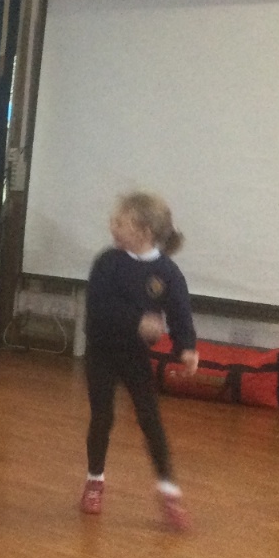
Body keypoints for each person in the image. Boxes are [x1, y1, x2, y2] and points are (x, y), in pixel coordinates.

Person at [81, 192, 199, 530]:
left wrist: (186, 347)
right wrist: (137, 321)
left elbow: (180, 313)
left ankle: (169, 491)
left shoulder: (167, 272)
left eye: (121, 222)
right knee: (102, 416)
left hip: (134, 356)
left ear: (144, 231)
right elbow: (98, 309)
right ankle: (94, 480)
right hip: (101, 352)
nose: (112, 226)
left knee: (150, 419)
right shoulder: (108, 262)